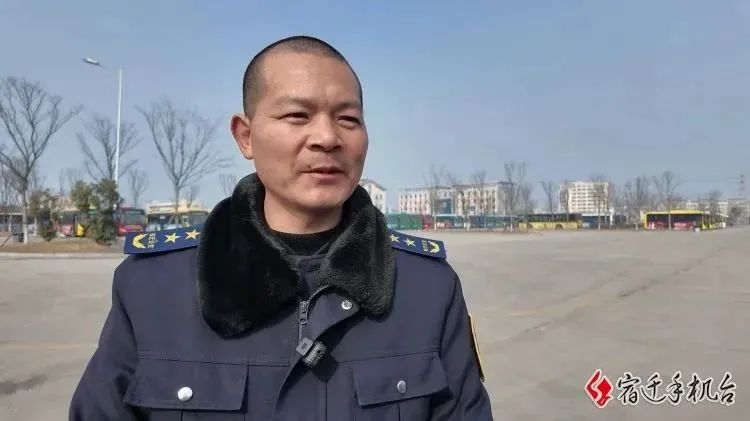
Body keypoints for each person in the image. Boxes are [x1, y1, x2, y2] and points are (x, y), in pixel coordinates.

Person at [69, 35, 493, 420]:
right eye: (297, 115)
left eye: (348, 119)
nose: (327, 137)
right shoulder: (152, 287)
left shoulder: (428, 289)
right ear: (245, 136)